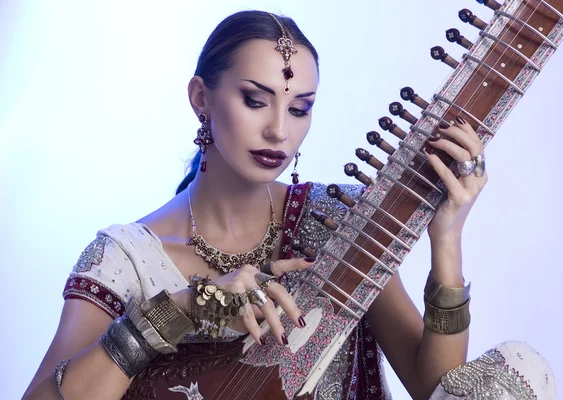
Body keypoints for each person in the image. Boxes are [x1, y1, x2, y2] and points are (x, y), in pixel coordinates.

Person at [22, 10, 490, 400]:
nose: (279, 131)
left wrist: (447, 238)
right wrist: (186, 308)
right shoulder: (126, 260)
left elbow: (437, 388)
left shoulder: (333, 222)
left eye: (300, 108)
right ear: (200, 97)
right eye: (254, 100)